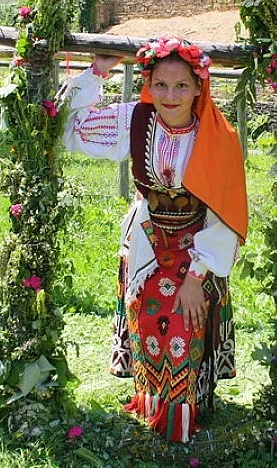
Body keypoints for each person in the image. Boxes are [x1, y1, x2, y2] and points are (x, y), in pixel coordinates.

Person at [61, 37, 248, 442]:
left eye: (181, 86)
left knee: (186, 321)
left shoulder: (217, 135)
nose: (170, 95)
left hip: (197, 247)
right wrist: (96, 73)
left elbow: (227, 214)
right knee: (146, 319)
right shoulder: (136, 120)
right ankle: (149, 401)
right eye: (160, 85)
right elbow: (71, 130)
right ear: (147, 82)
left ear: (200, 86)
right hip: (148, 240)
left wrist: (198, 277)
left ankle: (182, 414)